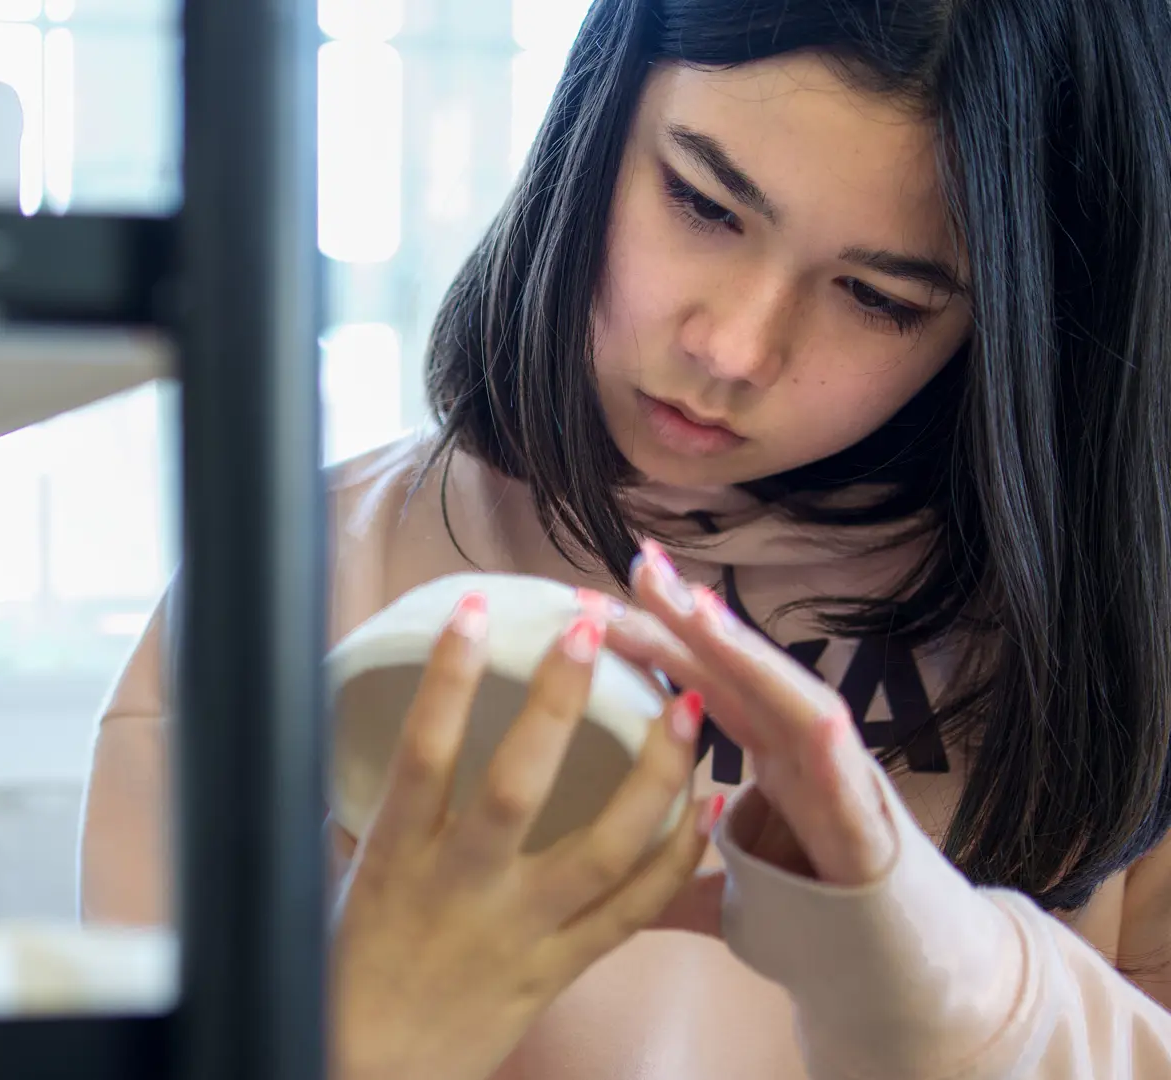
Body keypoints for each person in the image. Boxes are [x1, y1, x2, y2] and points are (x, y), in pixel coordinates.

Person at [82, 0, 1171, 1077]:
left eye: (878, 296)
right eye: (703, 203)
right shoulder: (298, 571)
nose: (735, 348)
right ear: (597, 114)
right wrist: (362, 1041)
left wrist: (966, 998)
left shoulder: (1113, 651)